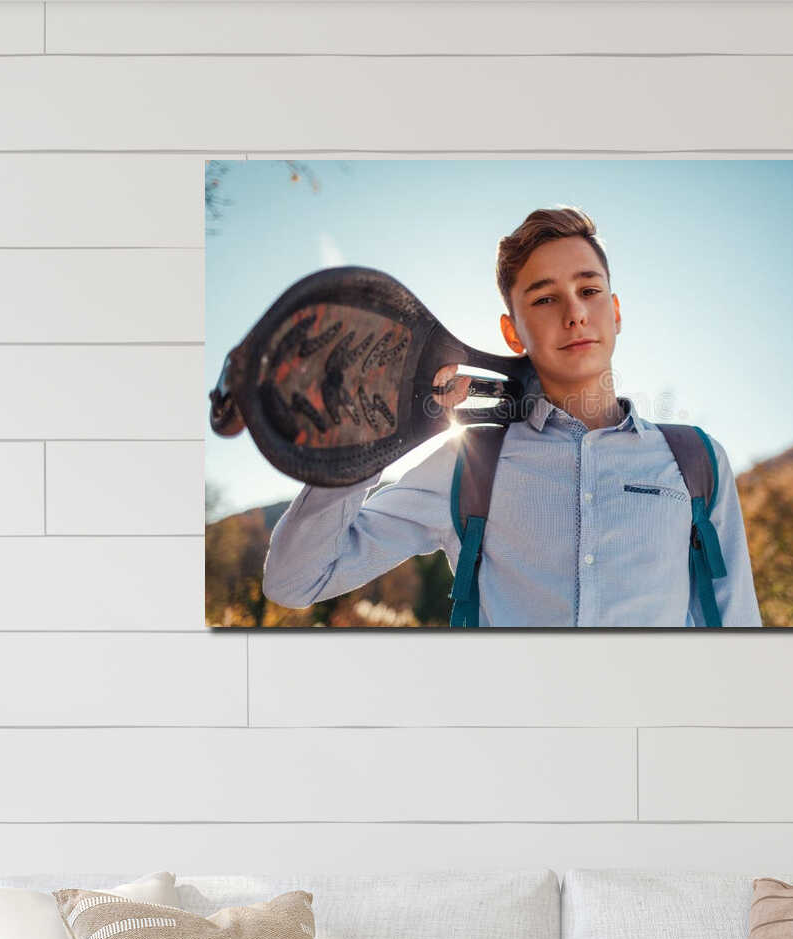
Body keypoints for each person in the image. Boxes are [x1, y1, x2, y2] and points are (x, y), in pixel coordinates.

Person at [261, 206, 761, 627]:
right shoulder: (468, 465)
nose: (574, 313)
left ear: (616, 310)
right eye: (544, 298)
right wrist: (365, 440)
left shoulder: (697, 460)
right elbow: (296, 582)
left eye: (589, 290)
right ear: (512, 332)